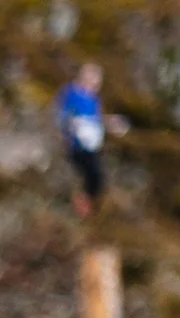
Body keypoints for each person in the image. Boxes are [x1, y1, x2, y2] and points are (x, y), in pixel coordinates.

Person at [58, 63, 127, 218]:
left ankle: (85, 203)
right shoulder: (72, 93)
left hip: (92, 144)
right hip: (77, 145)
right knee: (93, 174)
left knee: (98, 179)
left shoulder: (94, 100)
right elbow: (63, 115)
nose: (95, 85)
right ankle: (81, 203)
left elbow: (96, 120)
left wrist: (112, 123)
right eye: (92, 80)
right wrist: (71, 126)